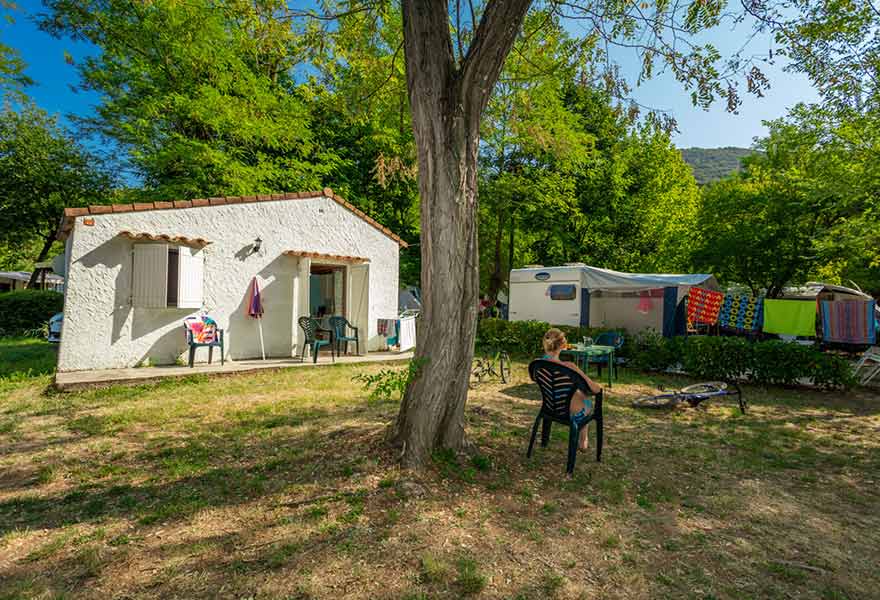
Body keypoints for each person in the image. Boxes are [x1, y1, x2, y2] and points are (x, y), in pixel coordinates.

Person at [541, 328, 602, 451]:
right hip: (570, 411)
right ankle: (583, 440)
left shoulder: (539, 364)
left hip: (549, 407)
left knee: (579, 394)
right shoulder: (569, 367)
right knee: (587, 401)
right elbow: (596, 389)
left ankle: (545, 439)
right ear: (564, 345)